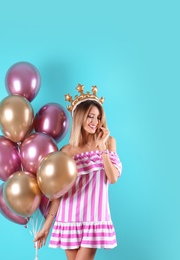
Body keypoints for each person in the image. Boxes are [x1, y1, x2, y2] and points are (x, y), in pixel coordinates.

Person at [34, 84, 122, 260]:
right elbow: (58, 194)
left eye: (98, 117)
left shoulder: (108, 142)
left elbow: (112, 178)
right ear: (80, 117)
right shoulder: (66, 151)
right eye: (90, 116)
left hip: (94, 218)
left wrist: (102, 147)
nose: (94, 122)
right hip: (69, 218)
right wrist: (46, 227)